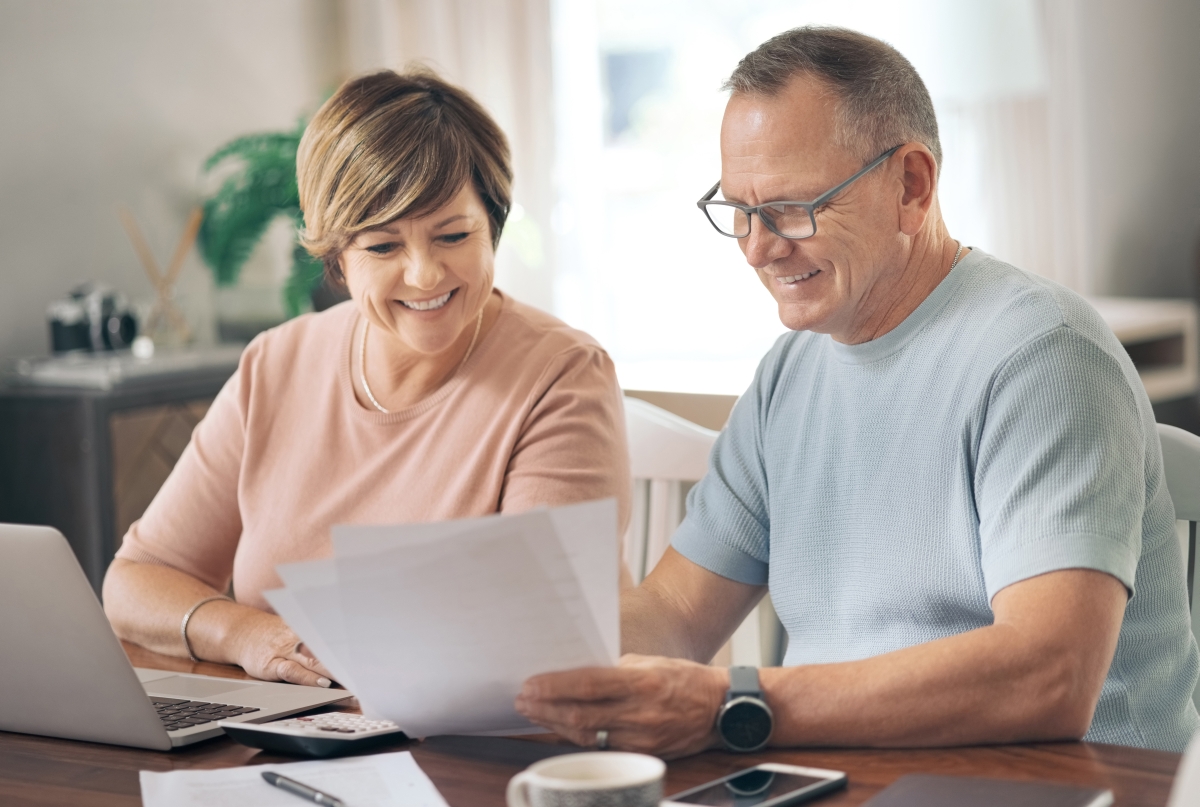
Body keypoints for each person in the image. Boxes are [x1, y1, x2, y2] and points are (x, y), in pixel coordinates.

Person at [515, 27, 1200, 756]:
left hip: (1063, 787)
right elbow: (676, 613)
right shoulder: (790, 374)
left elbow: (1048, 674)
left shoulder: (1044, 354)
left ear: (911, 185)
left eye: (790, 207)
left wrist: (735, 702)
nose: (757, 247)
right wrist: (510, 663)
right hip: (844, 779)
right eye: (741, 211)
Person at [103, 70, 631, 688]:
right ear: (337, 260)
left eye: (453, 235)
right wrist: (246, 634)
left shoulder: (561, 377)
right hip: (288, 736)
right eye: (382, 247)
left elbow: (544, 638)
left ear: (493, 224)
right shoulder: (275, 365)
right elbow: (137, 579)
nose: (425, 275)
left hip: (474, 751)